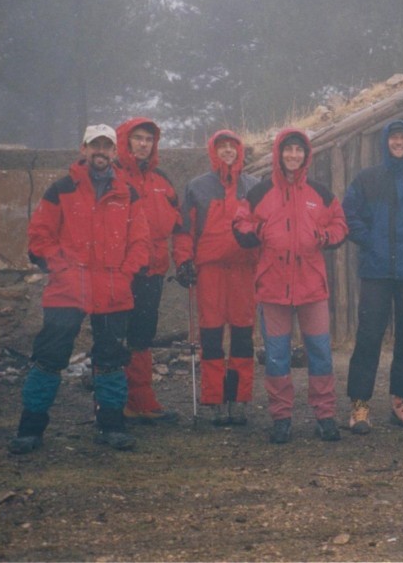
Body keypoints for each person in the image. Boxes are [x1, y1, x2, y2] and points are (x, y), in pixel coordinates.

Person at [8, 125, 150, 454]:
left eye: (107, 146)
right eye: (94, 145)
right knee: (48, 357)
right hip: (67, 289)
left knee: (112, 359)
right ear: (83, 149)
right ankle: (30, 428)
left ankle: (111, 425)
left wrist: (126, 274)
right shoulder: (60, 189)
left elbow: (140, 242)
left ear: (116, 153)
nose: (101, 151)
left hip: (113, 288)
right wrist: (63, 269)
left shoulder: (129, 193)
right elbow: (39, 237)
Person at [232, 128, 348, 444]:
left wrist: (324, 237)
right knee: (277, 357)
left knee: (321, 354)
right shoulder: (260, 192)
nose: (293, 156)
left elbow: (340, 224)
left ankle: (325, 416)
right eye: (288, 150)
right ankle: (281, 418)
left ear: (306, 155)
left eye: (299, 150)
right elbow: (240, 224)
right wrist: (258, 230)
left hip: (312, 288)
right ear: (279, 154)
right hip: (272, 288)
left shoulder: (320, 193)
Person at [342, 120, 403, 433]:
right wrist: (369, 241)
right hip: (377, 271)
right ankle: (359, 405)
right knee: (369, 336)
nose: (398, 143)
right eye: (394, 138)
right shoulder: (367, 179)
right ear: (385, 142)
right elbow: (349, 214)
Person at [172, 130, 260, 426]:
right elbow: (184, 230)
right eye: (221, 147)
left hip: (243, 271)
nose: (227, 152)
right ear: (213, 151)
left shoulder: (254, 186)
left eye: (232, 147)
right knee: (210, 335)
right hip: (209, 269)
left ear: (240, 151)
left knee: (242, 336)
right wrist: (183, 260)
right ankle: (212, 399)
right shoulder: (197, 187)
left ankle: (239, 400)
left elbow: (263, 228)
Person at [114, 117, 182, 424]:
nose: (143, 144)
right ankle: (112, 402)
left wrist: (184, 260)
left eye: (148, 139)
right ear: (125, 141)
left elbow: (180, 224)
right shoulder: (110, 175)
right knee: (113, 336)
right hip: (119, 271)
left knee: (142, 336)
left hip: (153, 271)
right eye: (137, 138)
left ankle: (141, 399)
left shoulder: (162, 180)